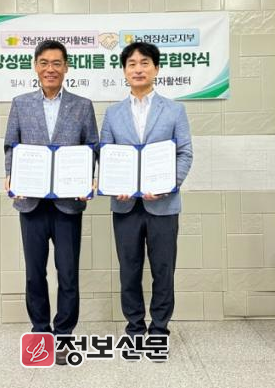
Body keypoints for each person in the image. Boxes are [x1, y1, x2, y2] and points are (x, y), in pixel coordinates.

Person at [3, 40, 98, 365]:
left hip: (68, 204)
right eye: (44, 63)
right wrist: (11, 176)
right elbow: (11, 146)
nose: (50, 69)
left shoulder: (82, 106)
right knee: (34, 273)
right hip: (31, 203)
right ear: (35, 66)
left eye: (57, 63)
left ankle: (65, 335)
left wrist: (87, 180)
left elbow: (92, 148)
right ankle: (41, 332)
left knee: (68, 273)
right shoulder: (21, 104)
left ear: (66, 67)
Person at [100, 42, 193, 342]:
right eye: (132, 64)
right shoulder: (112, 113)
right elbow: (106, 154)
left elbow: (185, 153)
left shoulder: (175, 110)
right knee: (129, 269)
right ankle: (135, 328)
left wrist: (168, 185)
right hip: (125, 205)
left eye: (144, 63)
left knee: (163, 270)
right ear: (124, 71)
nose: (138, 69)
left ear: (156, 69)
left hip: (163, 205)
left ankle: (159, 330)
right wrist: (115, 185)